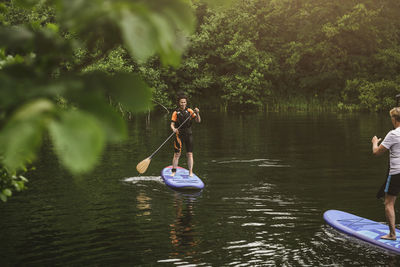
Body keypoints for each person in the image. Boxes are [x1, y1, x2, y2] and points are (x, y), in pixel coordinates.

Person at [372, 107, 400, 240]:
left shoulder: (393, 134)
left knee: (388, 203)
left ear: (394, 119)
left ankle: (392, 234)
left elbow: (377, 152)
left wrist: (375, 143)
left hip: (396, 173)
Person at [170, 94, 201, 177]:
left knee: (190, 154)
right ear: (179, 103)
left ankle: (190, 172)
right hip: (179, 135)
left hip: (189, 134)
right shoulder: (176, 112)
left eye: (184, 102)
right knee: (177, 154)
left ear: (186, 103)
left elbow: (198, 121)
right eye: (181, 102)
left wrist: (197, 113)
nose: (183, 104)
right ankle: (174, 171)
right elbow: (172, 124)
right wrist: (173, 129)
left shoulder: (190, 111)